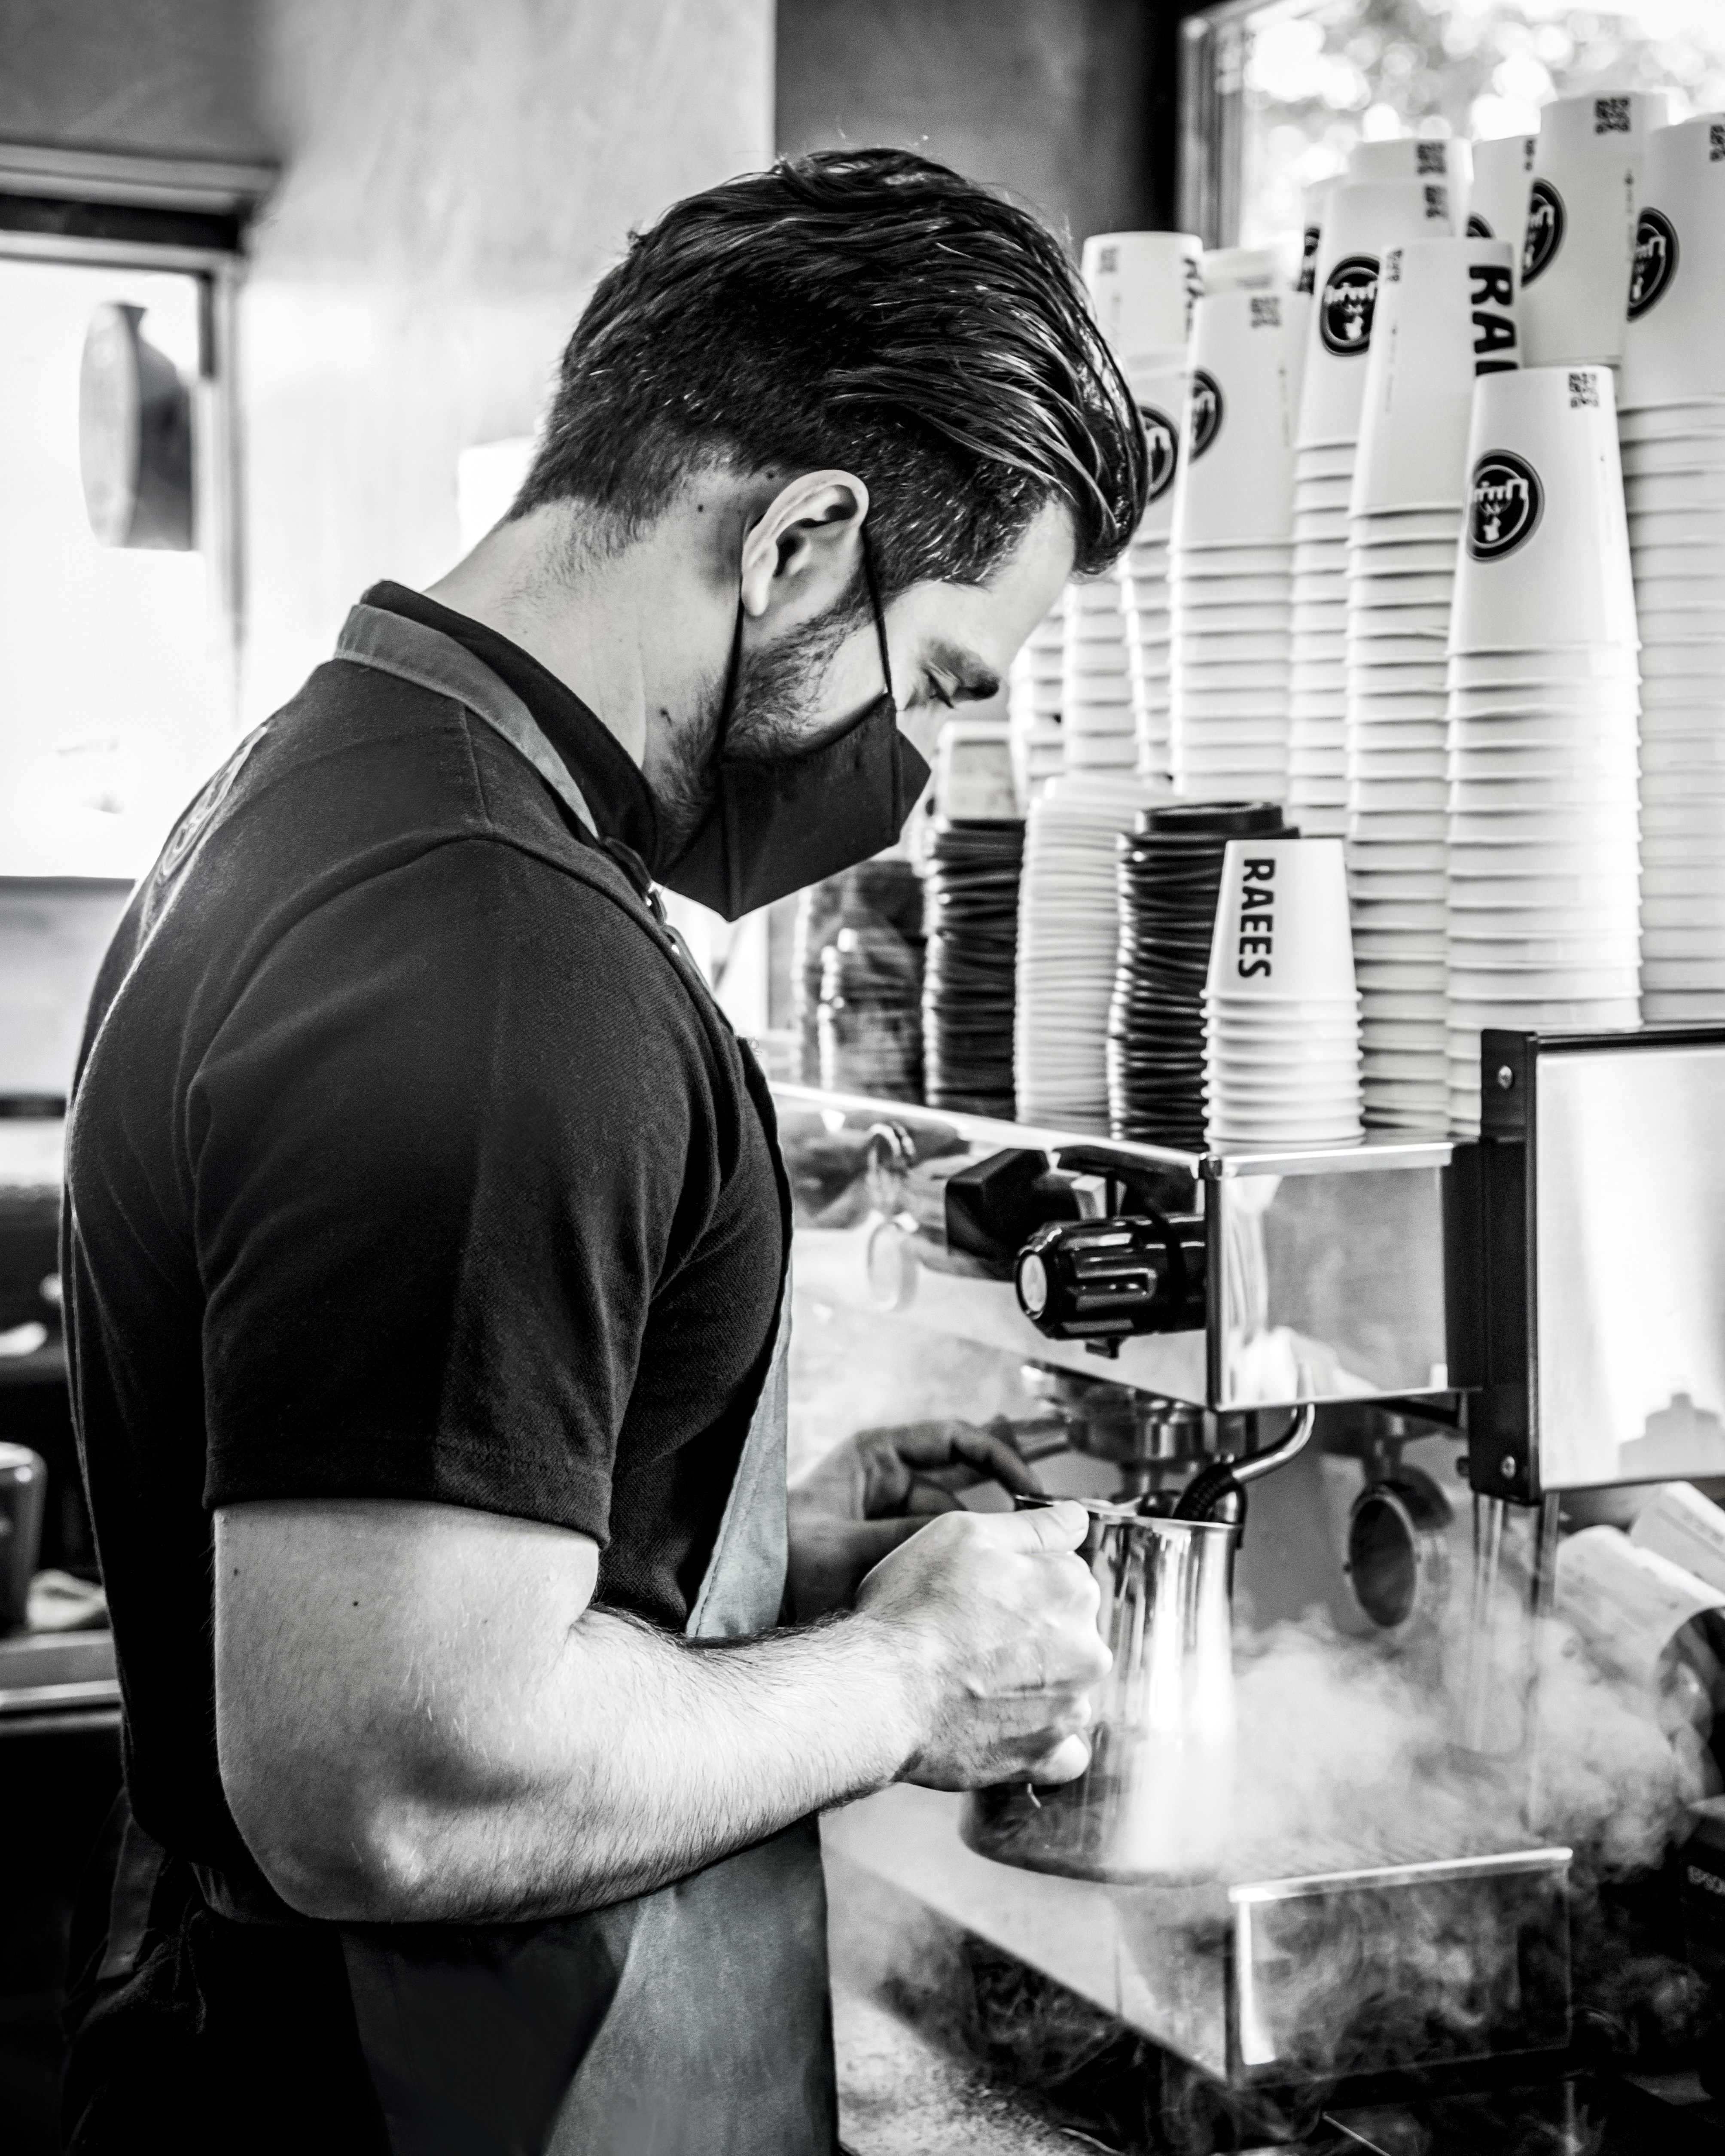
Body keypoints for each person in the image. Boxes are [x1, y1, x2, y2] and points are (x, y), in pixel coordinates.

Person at [60, 148, 1148, 2153]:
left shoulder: (337, 785)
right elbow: (388, 1779)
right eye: (932, 688)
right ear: (802, 543)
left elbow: (385, 1525)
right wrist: (903, 1679)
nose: (906, 797)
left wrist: (784, 1550)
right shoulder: (497, 953)